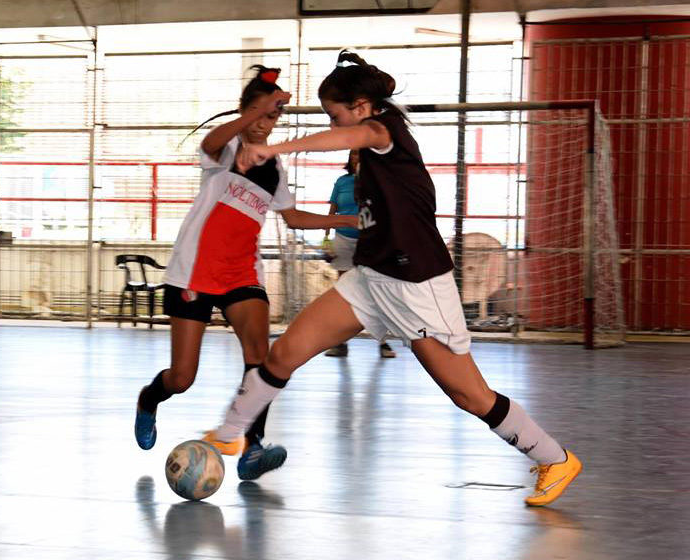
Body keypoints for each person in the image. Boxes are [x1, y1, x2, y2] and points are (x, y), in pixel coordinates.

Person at [202, 51, 582, 507]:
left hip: (415, 284)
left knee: (468, 395)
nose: (334, 126)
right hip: (371, 277)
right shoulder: (368, 150)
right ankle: (229, 433)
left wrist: (274, 148)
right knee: (284, 352)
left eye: (335, 115)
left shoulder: (384, 131)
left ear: (361, 107)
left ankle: (554, 458)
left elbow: (352, 135)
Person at [134, 65, 357, 481]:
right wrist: (253, 112)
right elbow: (210, 141)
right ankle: (149, 399)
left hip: (242, 275)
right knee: (181, 377)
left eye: (272, 116)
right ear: (244, 112)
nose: (263, 123)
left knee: (260, 359)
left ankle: (253, 447)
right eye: (257, 114)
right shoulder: (227, 149)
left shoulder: (273, 168)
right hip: (194, 273)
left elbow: (293, 218)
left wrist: (346, 221)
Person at [323, 150, 396, 359]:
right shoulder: (342, 182)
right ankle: (340, 343)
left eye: (361, 154)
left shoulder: (378, 181)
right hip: (343, 239)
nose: (357, 158)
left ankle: (383, 342)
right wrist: (326, 239)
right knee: (343, 293)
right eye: (354, 154)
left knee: (375, 290)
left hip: (369, 240)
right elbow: (332, 211)